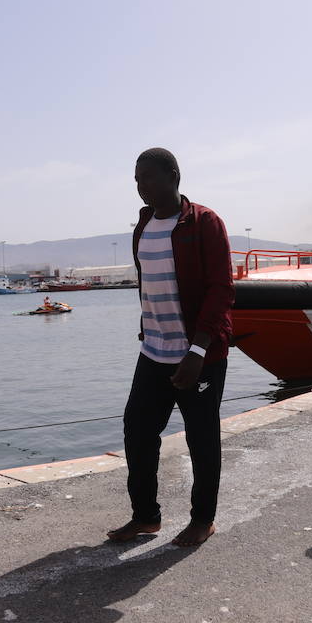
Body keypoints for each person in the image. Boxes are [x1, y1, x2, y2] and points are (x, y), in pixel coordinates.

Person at [108, 148, 233, 548]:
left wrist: (197, 351)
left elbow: (221, 289)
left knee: (202, 437)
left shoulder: (204, 223)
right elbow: (150, 283)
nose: (139, 186)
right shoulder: (143, 224)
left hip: (199, 356)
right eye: (135, 179)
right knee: (138, 430)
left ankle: (203, 519)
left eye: (146, 177)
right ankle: (146, 517)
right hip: (154, 352)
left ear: (173, 175)